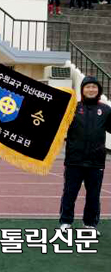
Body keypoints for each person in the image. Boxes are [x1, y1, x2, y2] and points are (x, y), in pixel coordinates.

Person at [59, 76, 110, 237]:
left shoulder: (106, 110)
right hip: (74, 160)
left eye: (94, 87)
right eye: (88, 87)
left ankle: (90, 223)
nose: (91, 89)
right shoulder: (72, 108)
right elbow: (58, 125)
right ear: (82, 90)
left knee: (94, 195)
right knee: (69, 192)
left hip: (96, 161)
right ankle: (66, 221)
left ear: (99, 90)